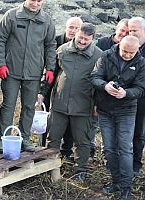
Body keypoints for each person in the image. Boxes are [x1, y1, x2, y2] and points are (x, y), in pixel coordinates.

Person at [0, 0, 56, 152]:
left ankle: (24, 138)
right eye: (32, 0)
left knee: (29, 107)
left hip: (34, 72)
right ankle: (3, 138)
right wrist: (1, 64)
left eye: (39, 1)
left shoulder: (46, 21)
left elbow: (50, 45)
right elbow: (0, 39)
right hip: (11, 70)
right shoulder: (12, 16)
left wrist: (50, 68)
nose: (35, 3)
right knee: (8, 105)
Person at [44, 23, 102, 181]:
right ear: (76, 34)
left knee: (82, 140)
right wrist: (42, 94)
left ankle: (80, 170)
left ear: (93, 39)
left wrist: (97, 104)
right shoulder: (62, 50)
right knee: (53, 136)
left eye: (86, 39)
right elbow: (52, 74)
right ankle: (50, 166)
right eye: (80, 38)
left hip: (84, 105)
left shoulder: (99, 55)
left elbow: (101, 82)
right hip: (59, 103)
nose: (82, 41)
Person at [91, 35, 145, 200]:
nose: (128, 55)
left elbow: (141, 88)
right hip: (105, 109)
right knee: (109, 148)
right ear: (119, 45)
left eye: (131, 53)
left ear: (137, 50)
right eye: (125, 51)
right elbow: (94, 77)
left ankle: (126, 188)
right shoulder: (106, 55)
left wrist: (126, 93)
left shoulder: (141, 62)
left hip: (127, 110)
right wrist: (105, 86)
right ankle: (115, 182)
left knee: (125, 148)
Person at [38, 17, 82, 150]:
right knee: (45, 115)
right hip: (49, 80)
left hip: (67, 86)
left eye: (77, 28)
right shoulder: (54, 42)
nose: (73, 31)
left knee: (68, 116)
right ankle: (42, 146)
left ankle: (66, 149)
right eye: (71, 27)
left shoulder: (83, 45)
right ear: (65, 27)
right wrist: (42, 90)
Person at [128, 17, 145, 178]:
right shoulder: (126, 46)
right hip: (126, 97)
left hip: (143, 99)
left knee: (139, 133)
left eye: (135, 30)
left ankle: (136, 165)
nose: (132, 33)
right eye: (130, 30)